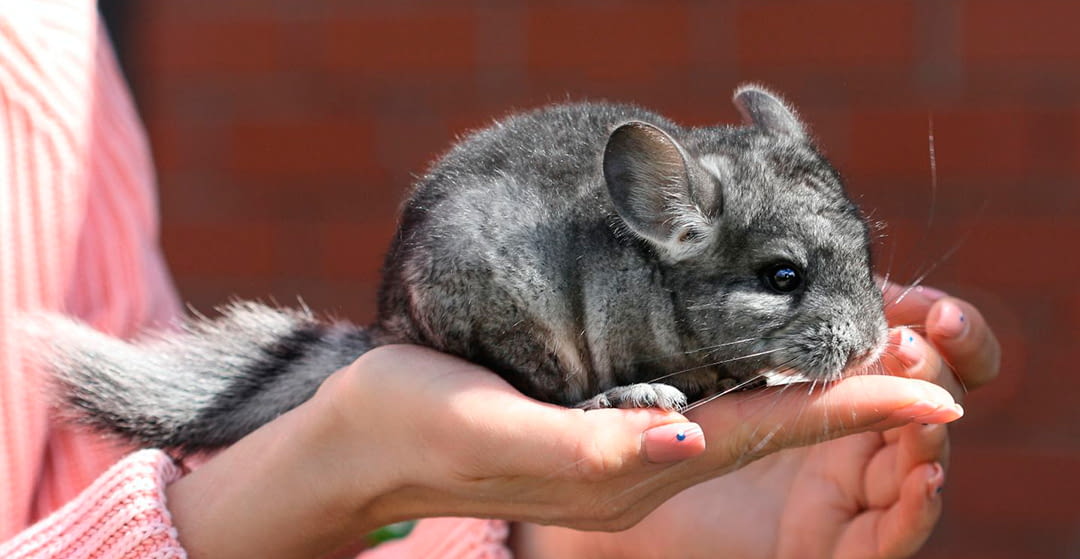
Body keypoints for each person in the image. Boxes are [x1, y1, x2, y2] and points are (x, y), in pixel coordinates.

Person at [0, 2, 1000, 558]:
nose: (852, 321)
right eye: (785, 280)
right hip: (488, 285)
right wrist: (341, 458)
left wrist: (574, 532)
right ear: (673, 222)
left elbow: (127, 493)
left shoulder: (52, 66)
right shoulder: (45, 78)